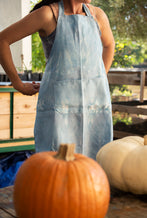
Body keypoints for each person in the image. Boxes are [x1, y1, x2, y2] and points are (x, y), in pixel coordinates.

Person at [0, 0, 115, 159]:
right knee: (57, 161)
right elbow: (2, 40)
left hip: (94, 107)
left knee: (96, 162)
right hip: (58, 109)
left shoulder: (98, 16)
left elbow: (109, 45)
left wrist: (99, 78)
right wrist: (17, 83)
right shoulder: (47, 15)